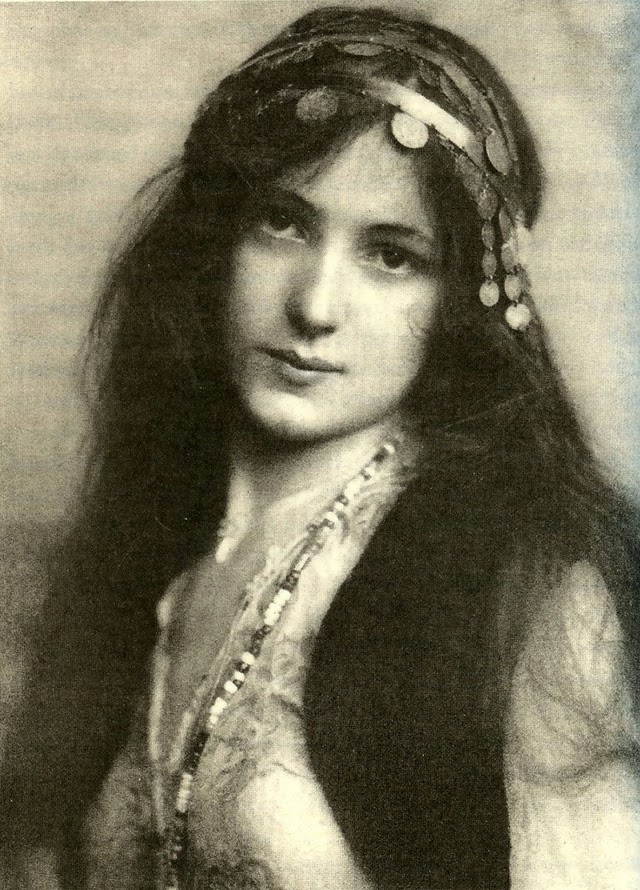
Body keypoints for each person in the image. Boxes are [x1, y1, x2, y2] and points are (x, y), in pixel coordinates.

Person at [2, 6, 639, 889]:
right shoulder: (133, 559)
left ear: (457, 303)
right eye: (283, 223)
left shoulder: (522, 586)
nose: (315, 306)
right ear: (216, 242)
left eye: (392, 256)